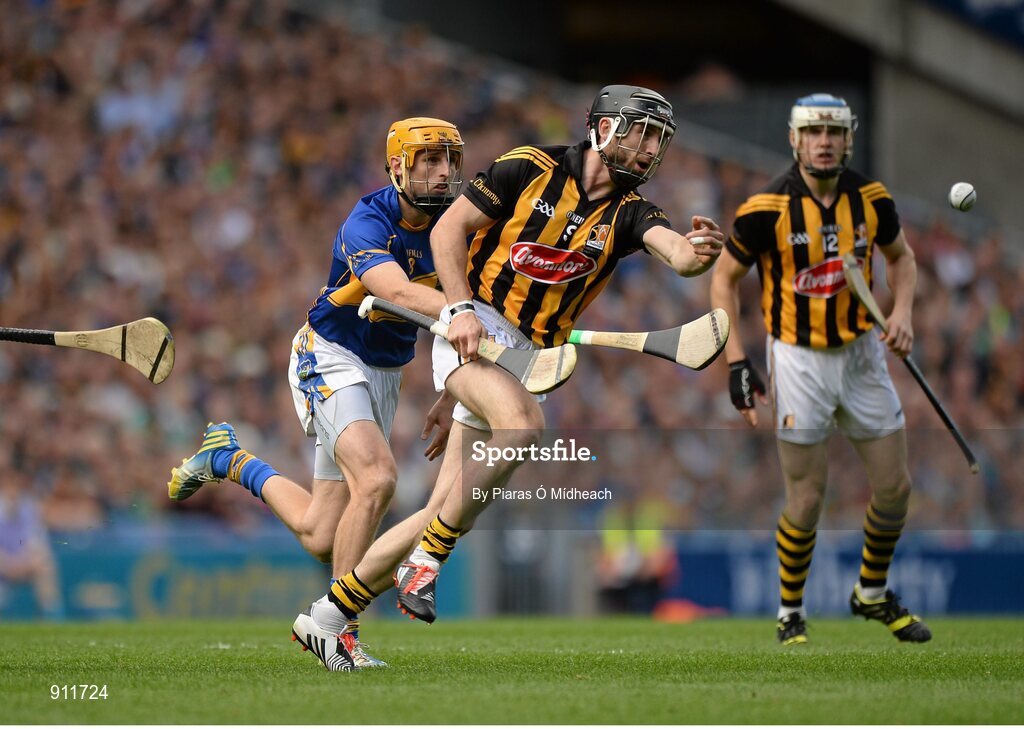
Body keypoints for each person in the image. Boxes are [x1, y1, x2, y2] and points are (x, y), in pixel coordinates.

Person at [289, 84, 725, 671]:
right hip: (474, 327)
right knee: (522, 426)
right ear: (602, 129)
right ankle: (429, 560)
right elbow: (447, 234)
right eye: (639, 132)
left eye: (657, 139)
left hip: (527, 355)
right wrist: (459, 311)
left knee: (436, 507)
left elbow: (676, 252)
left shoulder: (630, 213)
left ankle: (328, 616)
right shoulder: (528, 168)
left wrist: (699, 251)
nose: (649, 149)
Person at [166, 118, 465, 669]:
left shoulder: (457, 226)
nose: (444, 171)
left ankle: (229, 459)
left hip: (385, 373)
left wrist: (452, 388)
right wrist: (465, 309)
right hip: (328, 356)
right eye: (430, 160)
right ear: (398, 166)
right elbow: (397, 291)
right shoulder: (367, 221)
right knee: (377, 478)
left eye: (450, 160)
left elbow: (459, 319)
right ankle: (337, 630)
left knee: (321, 534)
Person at [709, 93, 932, 645]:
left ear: (848, 139)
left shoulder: (872, 199)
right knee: (807, 498)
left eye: (834, 132)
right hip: (798, 359)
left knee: (895, 489)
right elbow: (723, 280)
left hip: (862, 355)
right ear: (795, 139)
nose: (824, 142)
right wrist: (736, 358)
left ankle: (871, 594)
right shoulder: (766, 209)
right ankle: (790, 612)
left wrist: (902, 313)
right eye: (814, 132)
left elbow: (902, 259)